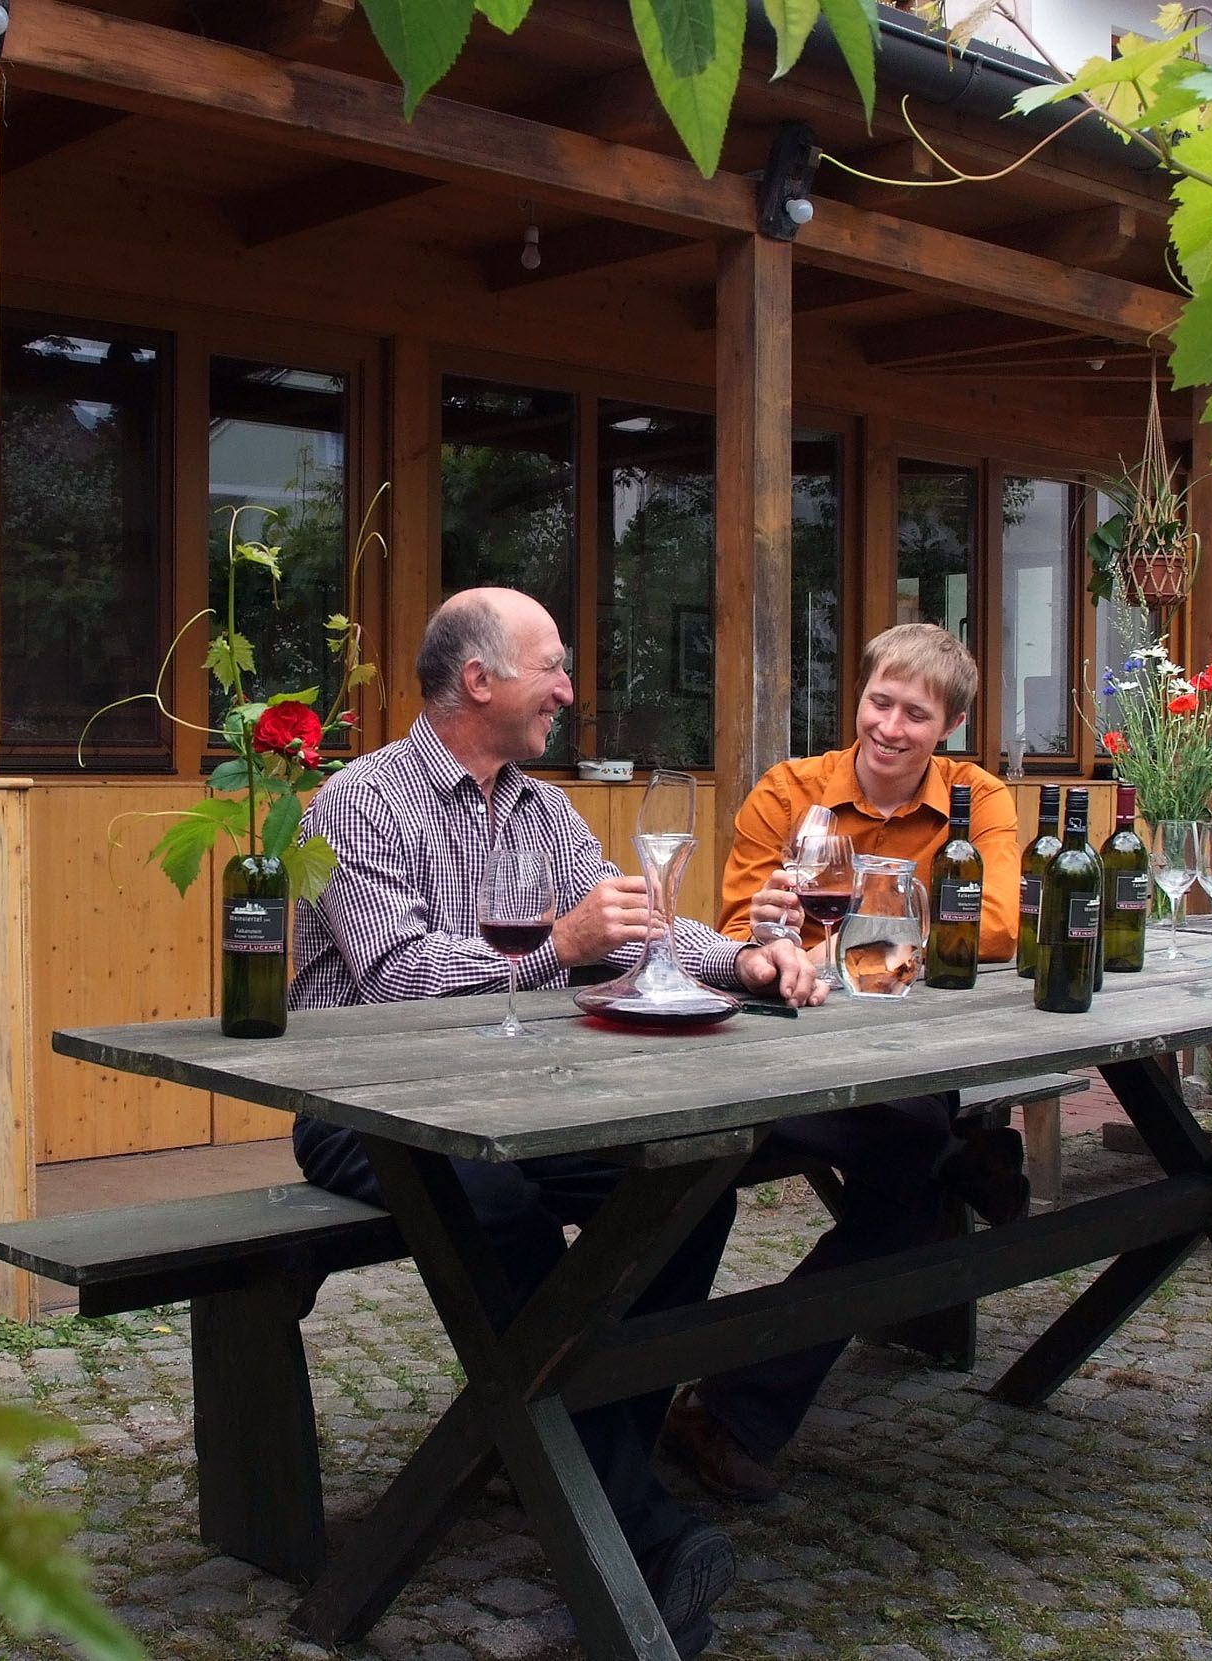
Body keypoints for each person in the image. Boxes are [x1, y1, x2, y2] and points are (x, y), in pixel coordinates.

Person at [289, 587, 821, 1658]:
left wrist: (750, 962)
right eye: (553, 666)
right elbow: (397, 980)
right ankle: (636, 1523)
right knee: (492, 1198)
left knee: (685, 1178)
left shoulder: (541, 807)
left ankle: (570, 1455)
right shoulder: (354, 802)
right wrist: (556, 945)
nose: (569, 691)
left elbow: (638, 931)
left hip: (522, 1095)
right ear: (476, 679)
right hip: (374, 1107)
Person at [661, 621, 1025, 1504]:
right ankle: (976, 1158)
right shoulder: (790, 791)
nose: (890, 727)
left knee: (909, 1156)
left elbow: (1004, 928)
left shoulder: (979, 801)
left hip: (910, 1056)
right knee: (908, 1170)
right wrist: (792, 931)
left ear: (949, 728)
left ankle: (731, 1408)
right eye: (879, 701)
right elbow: (738, 930)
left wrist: (855, 941)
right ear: (857, 699)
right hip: (783, 1049)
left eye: (916, 713)